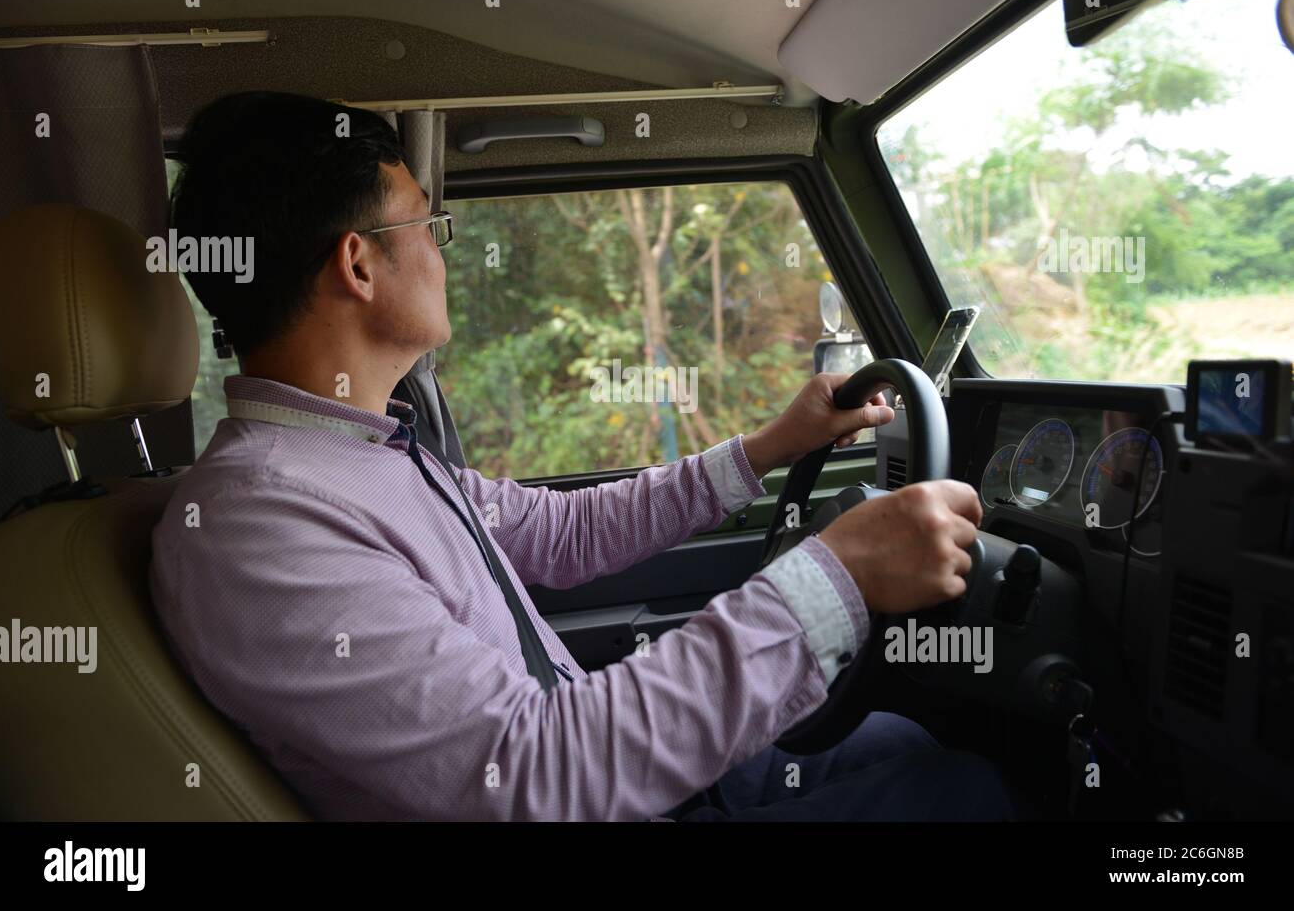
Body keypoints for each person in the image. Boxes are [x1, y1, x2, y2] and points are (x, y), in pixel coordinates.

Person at [149, 91, 1011, 821]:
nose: (442, 252)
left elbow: (561, 533)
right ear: (358, 265)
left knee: (903, 744)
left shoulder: (362, 452)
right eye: (428, 223)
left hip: (599, 764)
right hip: (579, 785)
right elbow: (531, 775)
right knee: (965, 790)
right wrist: (838, 576)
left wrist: (773, 445)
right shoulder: (259, 521)